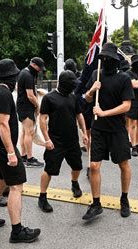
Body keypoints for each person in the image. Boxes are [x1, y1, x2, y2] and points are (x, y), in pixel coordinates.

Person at [0, 59, 41, 243]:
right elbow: (2, 123)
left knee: (3, 181)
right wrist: (11, 152)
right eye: (15, 77)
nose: (16, 81)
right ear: (10, 77)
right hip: (4, 146)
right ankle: (17, 231)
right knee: (16, 185)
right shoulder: (3, 93)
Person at [82, 42, 134, 220]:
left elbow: (126, 105)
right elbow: (87, 100)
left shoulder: (124, 79)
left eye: (108, 58)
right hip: (98, 129)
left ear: (115, 60)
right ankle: (96, 203)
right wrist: (91, 90)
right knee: (94, 166)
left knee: (123, 165)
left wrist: (104, 113)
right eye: (102, 58)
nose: (104, 61)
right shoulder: (96, 74)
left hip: (117, 129)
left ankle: (124, 198)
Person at [37, 70, 88, 212]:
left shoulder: (73, 97)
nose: (74, 87)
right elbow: (42, 119)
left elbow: (79, 116)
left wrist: (84, 133)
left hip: (72, 141)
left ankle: (74, 183)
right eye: (72, 84)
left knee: (77, 166)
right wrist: (46, 140)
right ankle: (42, 197)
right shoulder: (49, 98)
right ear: (65, 84)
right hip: (55, 142)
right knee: (49, 170)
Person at [17, 57, 46, 167]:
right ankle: (29, 159)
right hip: (26, 107)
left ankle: (23, 156)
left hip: (22, 106)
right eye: (39, 68)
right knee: (29, 132)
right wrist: (38, 105)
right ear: (33, 65)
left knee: (24, 132)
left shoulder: (23, 72)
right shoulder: (28, 75)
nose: (39, 70)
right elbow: (30, 95)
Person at [125, 54, 138, 157]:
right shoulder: (129, 73)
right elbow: (135, 84)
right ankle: (132, 145)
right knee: (132, 125)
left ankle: (137, 144)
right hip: (133, 101)